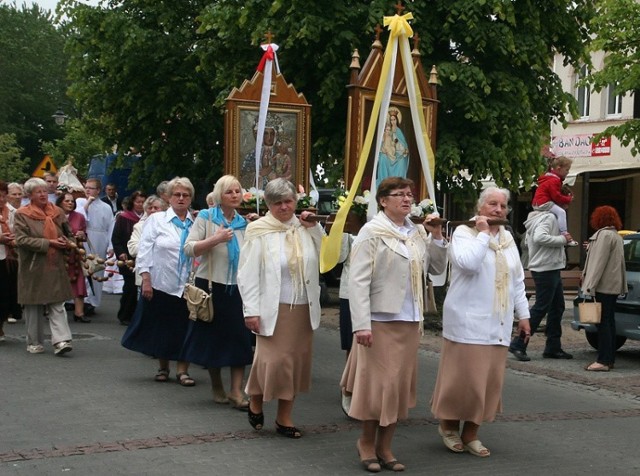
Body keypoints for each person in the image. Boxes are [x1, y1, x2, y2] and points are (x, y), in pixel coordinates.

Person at [339, 177, 447, 472]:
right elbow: (358, 280)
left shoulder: (416, 234)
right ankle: (366, 442)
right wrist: (361, 324)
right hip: (379, 320)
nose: (407, 199)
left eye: (409, 194)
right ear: (383, 201)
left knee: (398, 386)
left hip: (409, 320)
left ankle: (386, 446)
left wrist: (436, 237)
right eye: (399, 194)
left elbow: (436, 271)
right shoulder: (371, 232)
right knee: (378, 387)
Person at [431, 187, 530, 458]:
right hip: (467, 321)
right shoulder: (465, 233)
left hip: (497, 322)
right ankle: (448, 426)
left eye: (503, 205)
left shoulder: (508, 239)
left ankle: (472, 433)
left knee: (487, 382)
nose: (498, 210)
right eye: (492, 204)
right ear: (480, 208)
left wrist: (524, 315)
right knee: (461, 381)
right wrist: (484, 233)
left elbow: (517, 280)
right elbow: (468, 264)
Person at [237, 178, 324, 439]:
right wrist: (250, 310)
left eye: (288, 201)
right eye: (277, 203)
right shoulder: (258, 230)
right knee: (272, 362)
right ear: (268, 205)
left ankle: (285, 416)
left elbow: (331, 257)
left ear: (296, 202)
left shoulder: (305, 226)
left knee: (295, 364)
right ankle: (256, 397)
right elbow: (247, 273)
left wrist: (315, 228)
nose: (284, 207)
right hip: (271, 307)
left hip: (302, 307)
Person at [183, 175, 256, 409]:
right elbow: (189, 249)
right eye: (229, 192)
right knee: (213, 341)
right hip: (211, 286)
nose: (235, 195)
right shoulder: (206, 217)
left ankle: (236, 391)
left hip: (238, 289)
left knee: (240, 340)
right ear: (219, 196)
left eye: (238, 191)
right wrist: (215, 239)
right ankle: (217, 385)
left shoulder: (244, 223)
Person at [121, 177, 196, 386]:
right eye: (177, 195)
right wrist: (146, 278)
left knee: (186, 327)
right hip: (161, 281)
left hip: (188, 284)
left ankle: (183, 371)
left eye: (185, 195)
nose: (181, 199)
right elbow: (144, 250)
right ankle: (163, 367)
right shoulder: (157, 220)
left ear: (191, 198)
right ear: (169, 198)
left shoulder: (196, 223)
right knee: (163, 326)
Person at [509, 198, 575, 362]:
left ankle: (553, 346)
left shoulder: (540, 217)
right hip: (546, 267)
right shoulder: (549, 218)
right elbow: (540, 237)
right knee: (541, 307)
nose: (567, 206)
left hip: (548, 266)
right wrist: (562, 240)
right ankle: (519, 343)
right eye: (565, 203)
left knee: (557, 306)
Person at [14, 177, 74, 355]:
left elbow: (68, 233)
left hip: (54, 264)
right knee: (34, 305)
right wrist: (49, 243)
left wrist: (67, 242)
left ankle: (61, 341)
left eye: (45, 191)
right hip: (33, 266)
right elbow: (21, 240)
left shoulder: (57, 212)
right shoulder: (22, 214)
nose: (43, 194)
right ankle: (34, 342)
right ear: (30, 195)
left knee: (57, 303)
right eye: (38, 191)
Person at [581, 206, 627, 372]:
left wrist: (589, 286)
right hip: (612, 286)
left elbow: (598, 263)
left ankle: (604, 360)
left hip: (603, 286)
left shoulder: (604, 235)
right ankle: (608, 358)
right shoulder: (615, 235)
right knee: (609, 322)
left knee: (603, 324)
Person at [76, 178, 114, 313]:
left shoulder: (106, 207)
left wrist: (111, 246)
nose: (87, 190)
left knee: (96, 268)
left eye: (91, 188)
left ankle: (93, 301)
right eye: (86, 187)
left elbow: (110, 227)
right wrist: (88, 202)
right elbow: (80, 217)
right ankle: (80, 299)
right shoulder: (80, 203)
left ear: (98, 190)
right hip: (84, 237)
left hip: (99, 239)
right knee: (82, 268)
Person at [111, 191, 146, 325]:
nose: (140, 205)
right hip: (128, 257)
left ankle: (138, 315)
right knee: (130, 287)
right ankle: (125, 314)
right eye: (138, 202)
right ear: (132, 202)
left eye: (143, 202)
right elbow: (116, 238)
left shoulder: (148, 218)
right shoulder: (124, 217)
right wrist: (120, 252)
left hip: (142, 257)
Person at [56, 192, 90, 323]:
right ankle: (54, 311)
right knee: (57, 282)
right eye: (67, 201)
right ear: (60, 202)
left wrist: (82, 235)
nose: (70, 203)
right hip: (60, 253)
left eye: (72, 201)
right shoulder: (54, 216)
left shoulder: (79, 216)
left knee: (79, 280)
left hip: (75, 254)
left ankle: (79, 312)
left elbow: (85, 236)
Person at [531, 156, 578, 246]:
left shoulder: (548, 179)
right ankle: (564, 234)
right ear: (559, 168)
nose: (568, 173)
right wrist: (567, 199)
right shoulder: (554, 181)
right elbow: (556, 196)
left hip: (538, 202)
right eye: (567, 170)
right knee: (561, 212)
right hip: (544, 202)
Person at [127, 195, 167, 289]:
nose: (152, 210)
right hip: (145, 277)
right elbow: (132, 249)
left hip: (165, 276)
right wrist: (151, 245)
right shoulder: (139, 227)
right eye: (150, 208)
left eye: (156, 208)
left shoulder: (170, 227)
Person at [0, 181, 19, 336]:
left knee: (5, 293)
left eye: (3, 195)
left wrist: (13, 238)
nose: (1, 199)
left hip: (9, 256)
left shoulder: (12, 212)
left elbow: (16, 230)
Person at [376, 107, 409, 186]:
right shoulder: (387, 131)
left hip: (398, 153)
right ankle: (383, 183)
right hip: (388, 153)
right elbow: (383, 143)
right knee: (383, 158)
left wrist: (403, 150)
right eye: (391, 120)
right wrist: (383, 150)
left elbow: (403, 145)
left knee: (401, 162)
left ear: (397, 120)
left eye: (394, 120)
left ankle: (398, 185)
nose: (393, 122)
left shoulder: (399, 131)